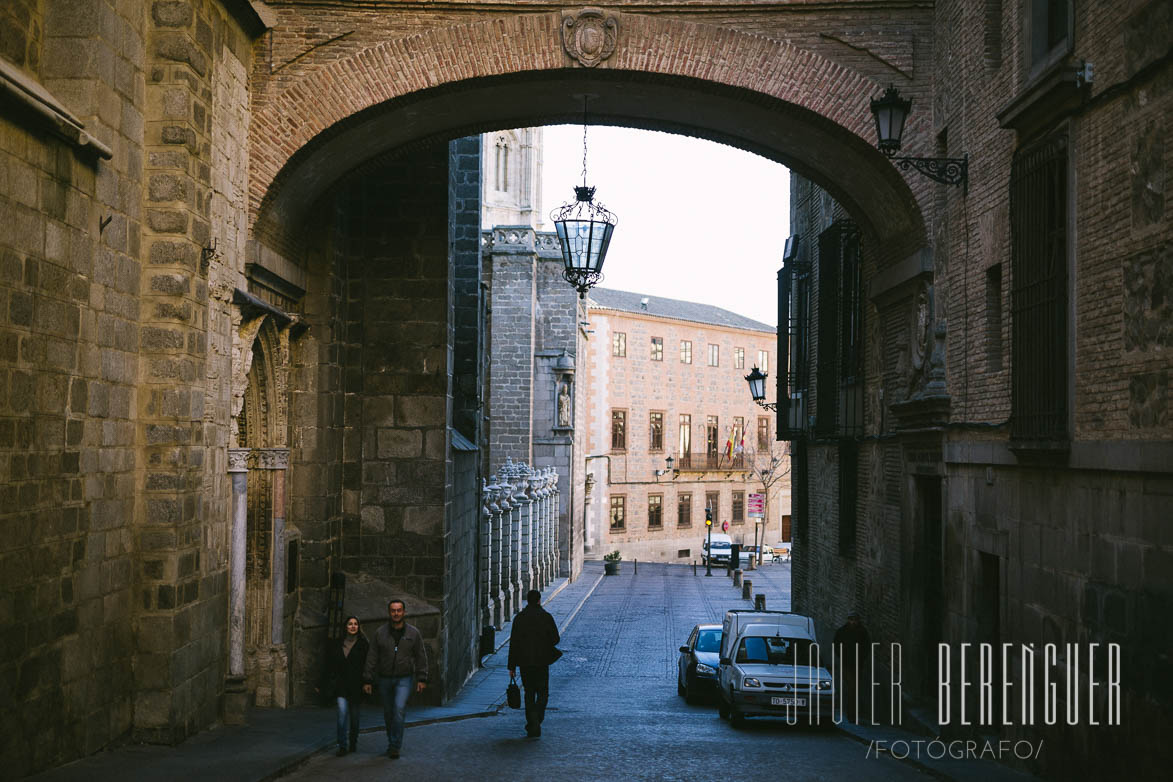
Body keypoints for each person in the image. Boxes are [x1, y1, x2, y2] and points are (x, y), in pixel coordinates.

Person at [362, 599, 428, 759]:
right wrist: (367, 679)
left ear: (404, 612)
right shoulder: (380, 633)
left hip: (404, 679)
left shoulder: (413, 633)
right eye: (393, 610)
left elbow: (421, 656)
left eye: (399, 610)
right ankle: (391, 740)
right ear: (389, 612)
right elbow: (372, 657)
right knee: (388, 713)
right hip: (384, 679)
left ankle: (395, 745)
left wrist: (422, 678)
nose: (396, 613)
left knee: (398, 709)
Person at [507, 589, 561, 738]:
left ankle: (533, 722)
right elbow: (556, 639)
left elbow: (514, 644)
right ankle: (537, 718)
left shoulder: (520, 618)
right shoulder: (546, 617)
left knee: (529, 693)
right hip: (542, 662)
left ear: (527, 600)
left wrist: (511, 666)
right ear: (539, 600)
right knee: (543, 692)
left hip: (525, 663)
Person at [316, 616, 369, 756]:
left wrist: (368, 682)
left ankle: (353, 741)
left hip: (357, 686)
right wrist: (321, 683)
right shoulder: (337, 644)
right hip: (341, 686)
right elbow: (328, 665)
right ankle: (342, 745)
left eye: (355, 624)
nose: (353, 626)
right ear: (345, 627)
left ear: (358, 626)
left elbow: (368, 666)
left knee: (355, 718)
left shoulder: (364, 645)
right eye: (350, 624)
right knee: (341, 714)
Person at [833, 610, 872, 723]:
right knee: (851, 689)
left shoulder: (862, 632)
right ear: (848, 620)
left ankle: (852, 714)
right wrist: (842, 656)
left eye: (855, 620)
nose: (853, 622)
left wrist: (861, 658)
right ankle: (851, 714)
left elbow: (866, 647)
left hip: (857, 664)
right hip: (846, 664)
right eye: (851, 620)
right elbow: (836, 645)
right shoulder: (842, 631)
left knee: (853, 690)